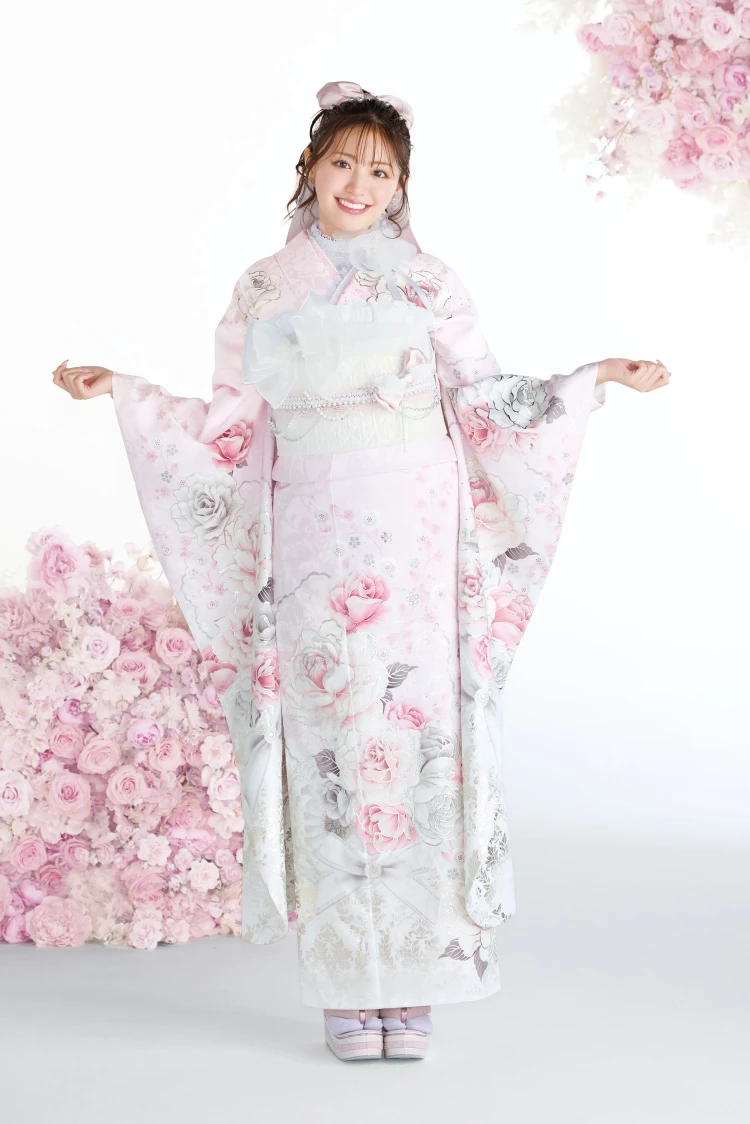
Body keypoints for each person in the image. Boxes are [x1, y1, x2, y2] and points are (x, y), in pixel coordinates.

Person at [52, 79, 671, 1062]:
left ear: (401, 187)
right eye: (343, 161)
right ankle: (348, 982)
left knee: (415, 734)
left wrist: (588, 381)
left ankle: (420, 978)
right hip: (312, 528)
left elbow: (484, 398)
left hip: (418, 533)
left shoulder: (430, 283)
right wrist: (124, 392)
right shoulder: (266, 286)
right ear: (310, 167)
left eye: (380, 171)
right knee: (335, 734)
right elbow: (229, 420)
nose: (359, 183)